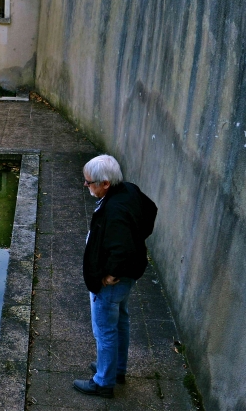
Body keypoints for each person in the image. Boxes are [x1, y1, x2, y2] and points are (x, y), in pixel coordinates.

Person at [73, 154, 157, 398]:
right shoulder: (128, 190)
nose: (86, 186)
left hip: (113, 282)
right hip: (129, 276)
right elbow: (150, 210)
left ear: (105, 183)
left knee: (104, 330)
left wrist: (109, 273)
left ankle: (103, 382)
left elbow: (121, 249)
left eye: (89, 183)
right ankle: (115, 368)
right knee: (121, 321)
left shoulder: (115, 209)